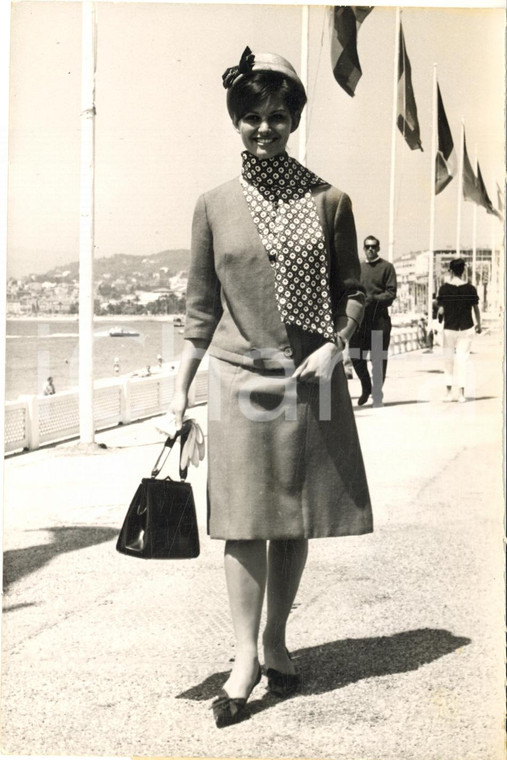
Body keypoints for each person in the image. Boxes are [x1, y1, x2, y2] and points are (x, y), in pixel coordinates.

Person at [169, 46, 372, 728]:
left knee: (296, 512)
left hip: (310, 374)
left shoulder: (330, 200)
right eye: (252, 117)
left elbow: (354, 293)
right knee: (242, 518)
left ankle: (277, 639)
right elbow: (200, 309)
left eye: (277, 116)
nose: (265, 128)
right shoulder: (213, 205)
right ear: (236, 121)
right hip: (234, 377)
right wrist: (180, 390)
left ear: (294, 121)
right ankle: (243, 658)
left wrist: (336, 350)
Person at [349, 235, 397, 407]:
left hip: (379, 320)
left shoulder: (387, 267)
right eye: (367, 247)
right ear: (364, 249)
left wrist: (373, 299)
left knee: (378, 359)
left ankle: (377, 392)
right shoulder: (358, 268)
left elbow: (391, 294)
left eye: (373, 246)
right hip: (360, 321)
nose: (370, 249)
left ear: (378, 248)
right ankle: (366, 386)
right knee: (355, 354)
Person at [437, 257, 481, 403]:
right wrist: (479, 324)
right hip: (466, 327)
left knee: (448, 360)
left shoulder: (444, 289)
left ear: (450, 271)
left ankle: (448, 393)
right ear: (463, 270)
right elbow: (476, 309)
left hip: (449, 328)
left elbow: (441, 311)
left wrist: (439, 318)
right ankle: (461, 394)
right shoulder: (470, 289)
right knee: (462, 360)